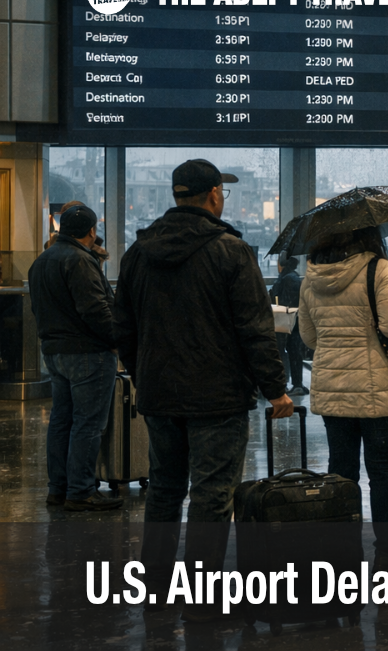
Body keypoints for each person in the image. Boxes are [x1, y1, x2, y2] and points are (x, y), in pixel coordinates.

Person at [113, 159, 292, 622]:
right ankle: (202, 592)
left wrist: (142, 372)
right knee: (212, 494)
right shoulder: (231, 252)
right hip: (217, 396)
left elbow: (123, 328)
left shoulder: (137, 253)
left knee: (166, 489)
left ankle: (155, 585)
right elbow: (255, 329)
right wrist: (276, 391)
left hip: (159, 394)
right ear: (213, 195)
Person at [298, 226, 388, 572]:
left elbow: (308, 336)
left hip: (333, 388)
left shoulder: (312, 277)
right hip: (376, 389)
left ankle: (342, 554)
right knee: (381, 473)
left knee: (342, 473)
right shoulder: (379, 269)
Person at [28, 204, 122, 512]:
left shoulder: (42, 261)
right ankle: (80, 491)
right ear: (92, 232)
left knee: (61, 421)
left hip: (54, 353)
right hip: (87, 355)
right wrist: (116, 342)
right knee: (88, 424)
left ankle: (58, 488)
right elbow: (95, 310)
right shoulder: (81, 260)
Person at [271, 255, 307, 396]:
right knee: (293, 351)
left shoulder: (287, 279)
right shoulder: (292, 277)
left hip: (286, 320)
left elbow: (285, 301)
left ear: (281, 265)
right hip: (293, 320)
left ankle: (290, 384)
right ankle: (295, 384)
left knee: (287, 352)